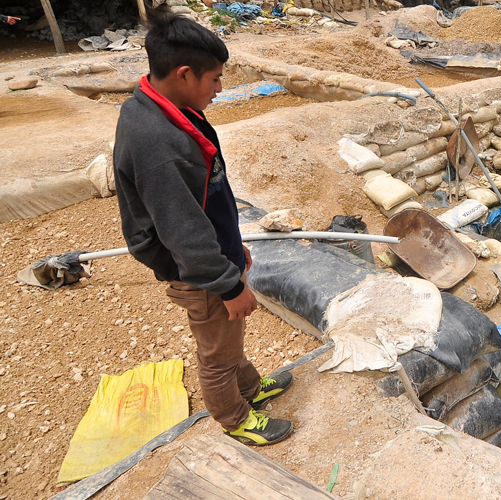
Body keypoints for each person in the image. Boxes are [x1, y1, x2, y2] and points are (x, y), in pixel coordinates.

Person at [113, 13, 293, 446]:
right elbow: (183, 230)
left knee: (227, 335)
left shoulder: (161, 106)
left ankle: (249, 388)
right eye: (214, 79)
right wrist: (227, 284)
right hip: (197, 269)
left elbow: (204, 199)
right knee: (216, 347)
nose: (218, 89)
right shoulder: (158, 144)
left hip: (214, 254)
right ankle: (233, 417)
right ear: (184, 73)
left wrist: (234, 250)